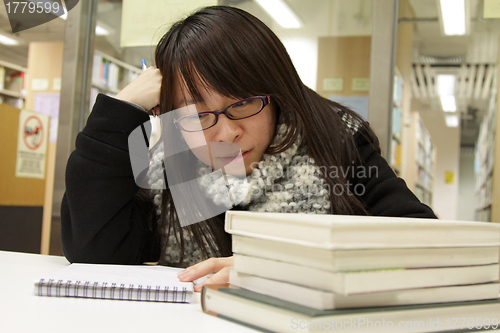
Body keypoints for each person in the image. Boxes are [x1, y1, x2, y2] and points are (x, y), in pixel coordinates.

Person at [61, 5, 436, 292]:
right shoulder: (167, 161)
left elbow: (424, 248)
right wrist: (119, 112)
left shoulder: (336, 142)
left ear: (276, 93)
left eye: (241, 103)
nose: (226, 133)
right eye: (197, 115)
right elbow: (95, 255)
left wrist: (275, 272)